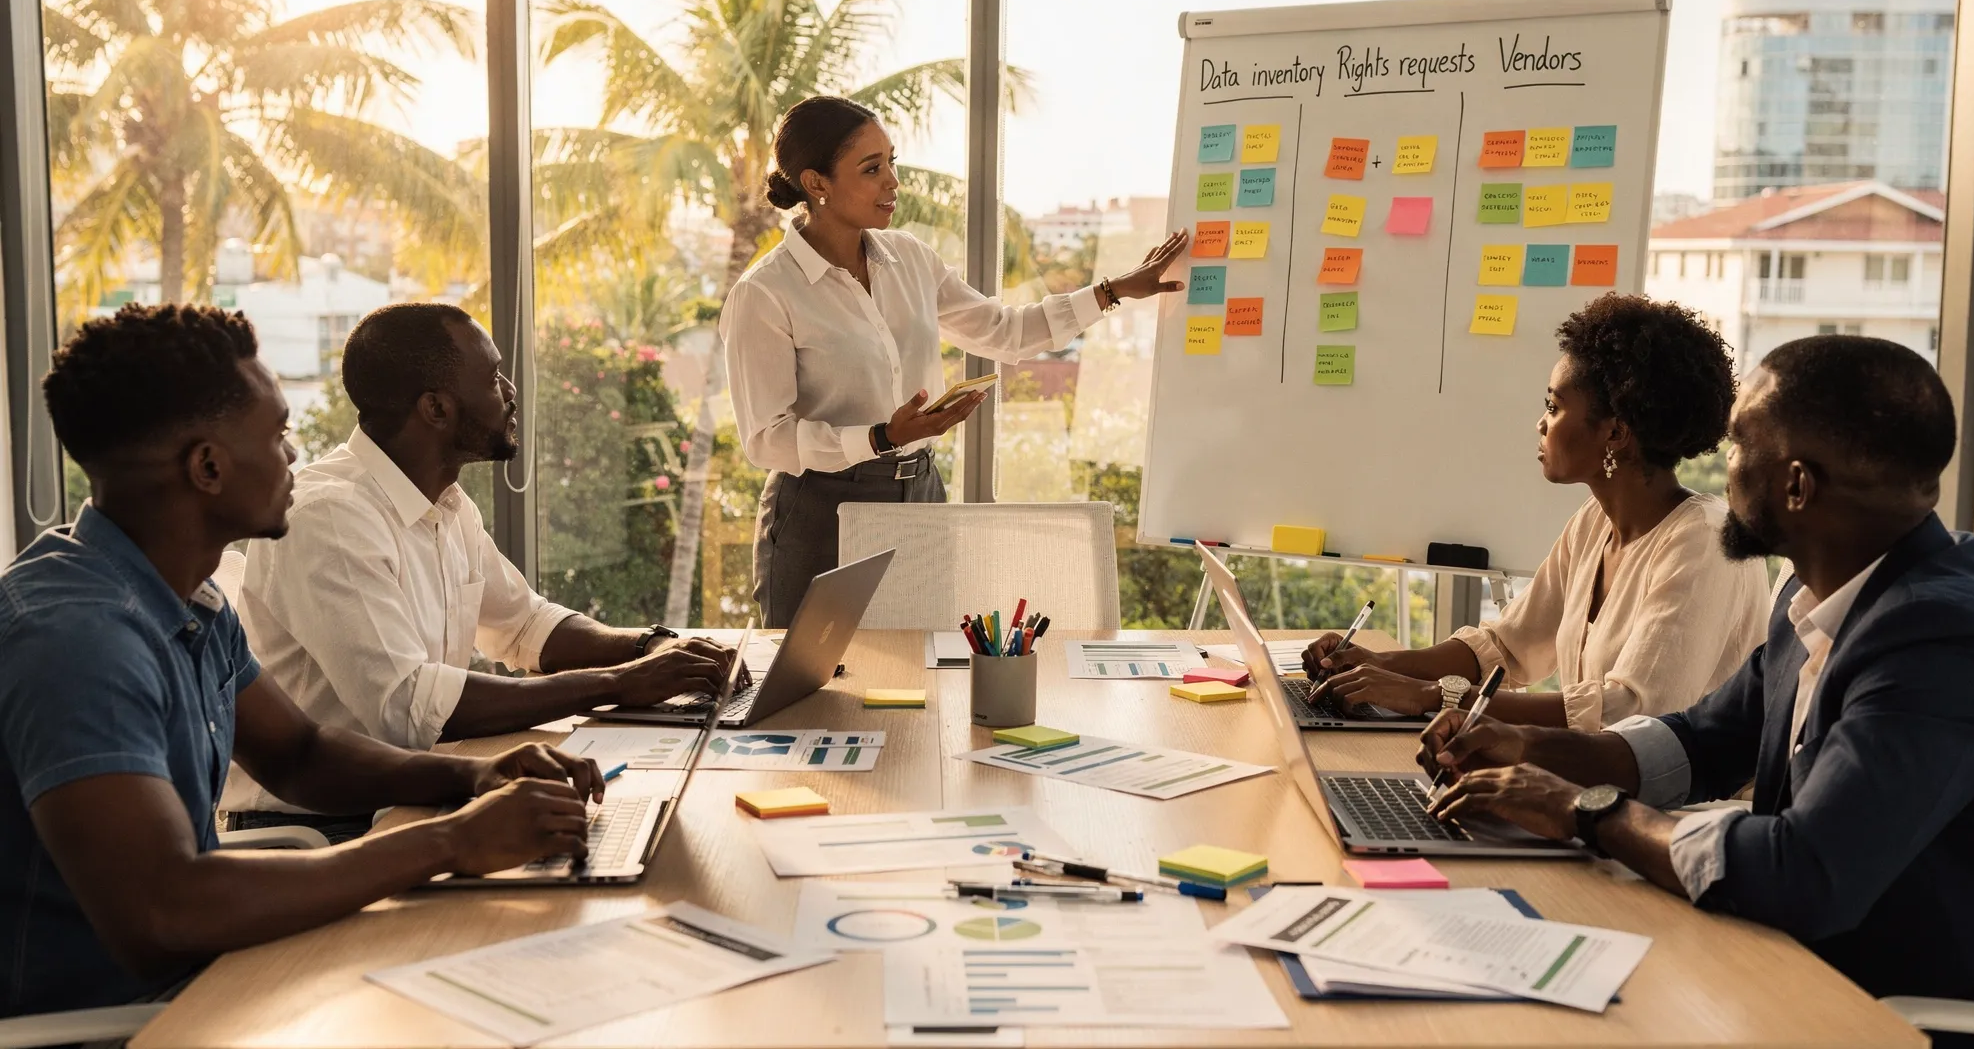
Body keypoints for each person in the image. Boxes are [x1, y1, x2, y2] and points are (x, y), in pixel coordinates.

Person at [1422, 335, 1974, 1026]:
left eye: (1742, 446)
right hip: (1793, 966)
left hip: (1896, 1014)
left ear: (1797, 485)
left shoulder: (1942, 639)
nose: (1725, 468)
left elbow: (1805, 871)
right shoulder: (1813, 594)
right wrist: (1522, 750)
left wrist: (1586, 810)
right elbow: (1699, 743)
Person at [0, 305, 606, 1018]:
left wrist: (474, 775)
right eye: (278, 435)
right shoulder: (76, 642)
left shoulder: (188, 597)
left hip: (207, 980)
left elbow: (300, 753)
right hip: (121, 1020)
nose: (293, 457)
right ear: (209, 466)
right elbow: (164, 916)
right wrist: (450, 840)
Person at [224, 302, 745, 839]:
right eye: (493, 377)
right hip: (324, 829)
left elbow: (523, 626)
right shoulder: (329, 516)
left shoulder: (445, 505)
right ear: (436, 409)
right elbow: (408, 708)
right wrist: (619, 683)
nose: (511, 392)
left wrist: (648, 648)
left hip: (417, 793)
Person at [723, 94, 1192, 625]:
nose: (893, 182)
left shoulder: (911, 260)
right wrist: (879, 437)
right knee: (808, 684)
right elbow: (767, 438)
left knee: (922, 668)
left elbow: (1004, 331)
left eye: (892, 163)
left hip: (920, 493)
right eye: (872, 169)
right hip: (820, 507)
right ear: (816, 184)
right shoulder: (764, 293)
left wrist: (1112, 291)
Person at [1302, 293, 1770, 730]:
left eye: (1554, 405)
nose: (1541, 423)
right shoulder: (1595, 524)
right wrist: (1376, 664)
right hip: (1585, 780)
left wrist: (1432, 697)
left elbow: (1633, 712)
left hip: (1680, 809)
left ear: (1616, 433)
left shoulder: (1706, 542)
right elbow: (1507, 647)